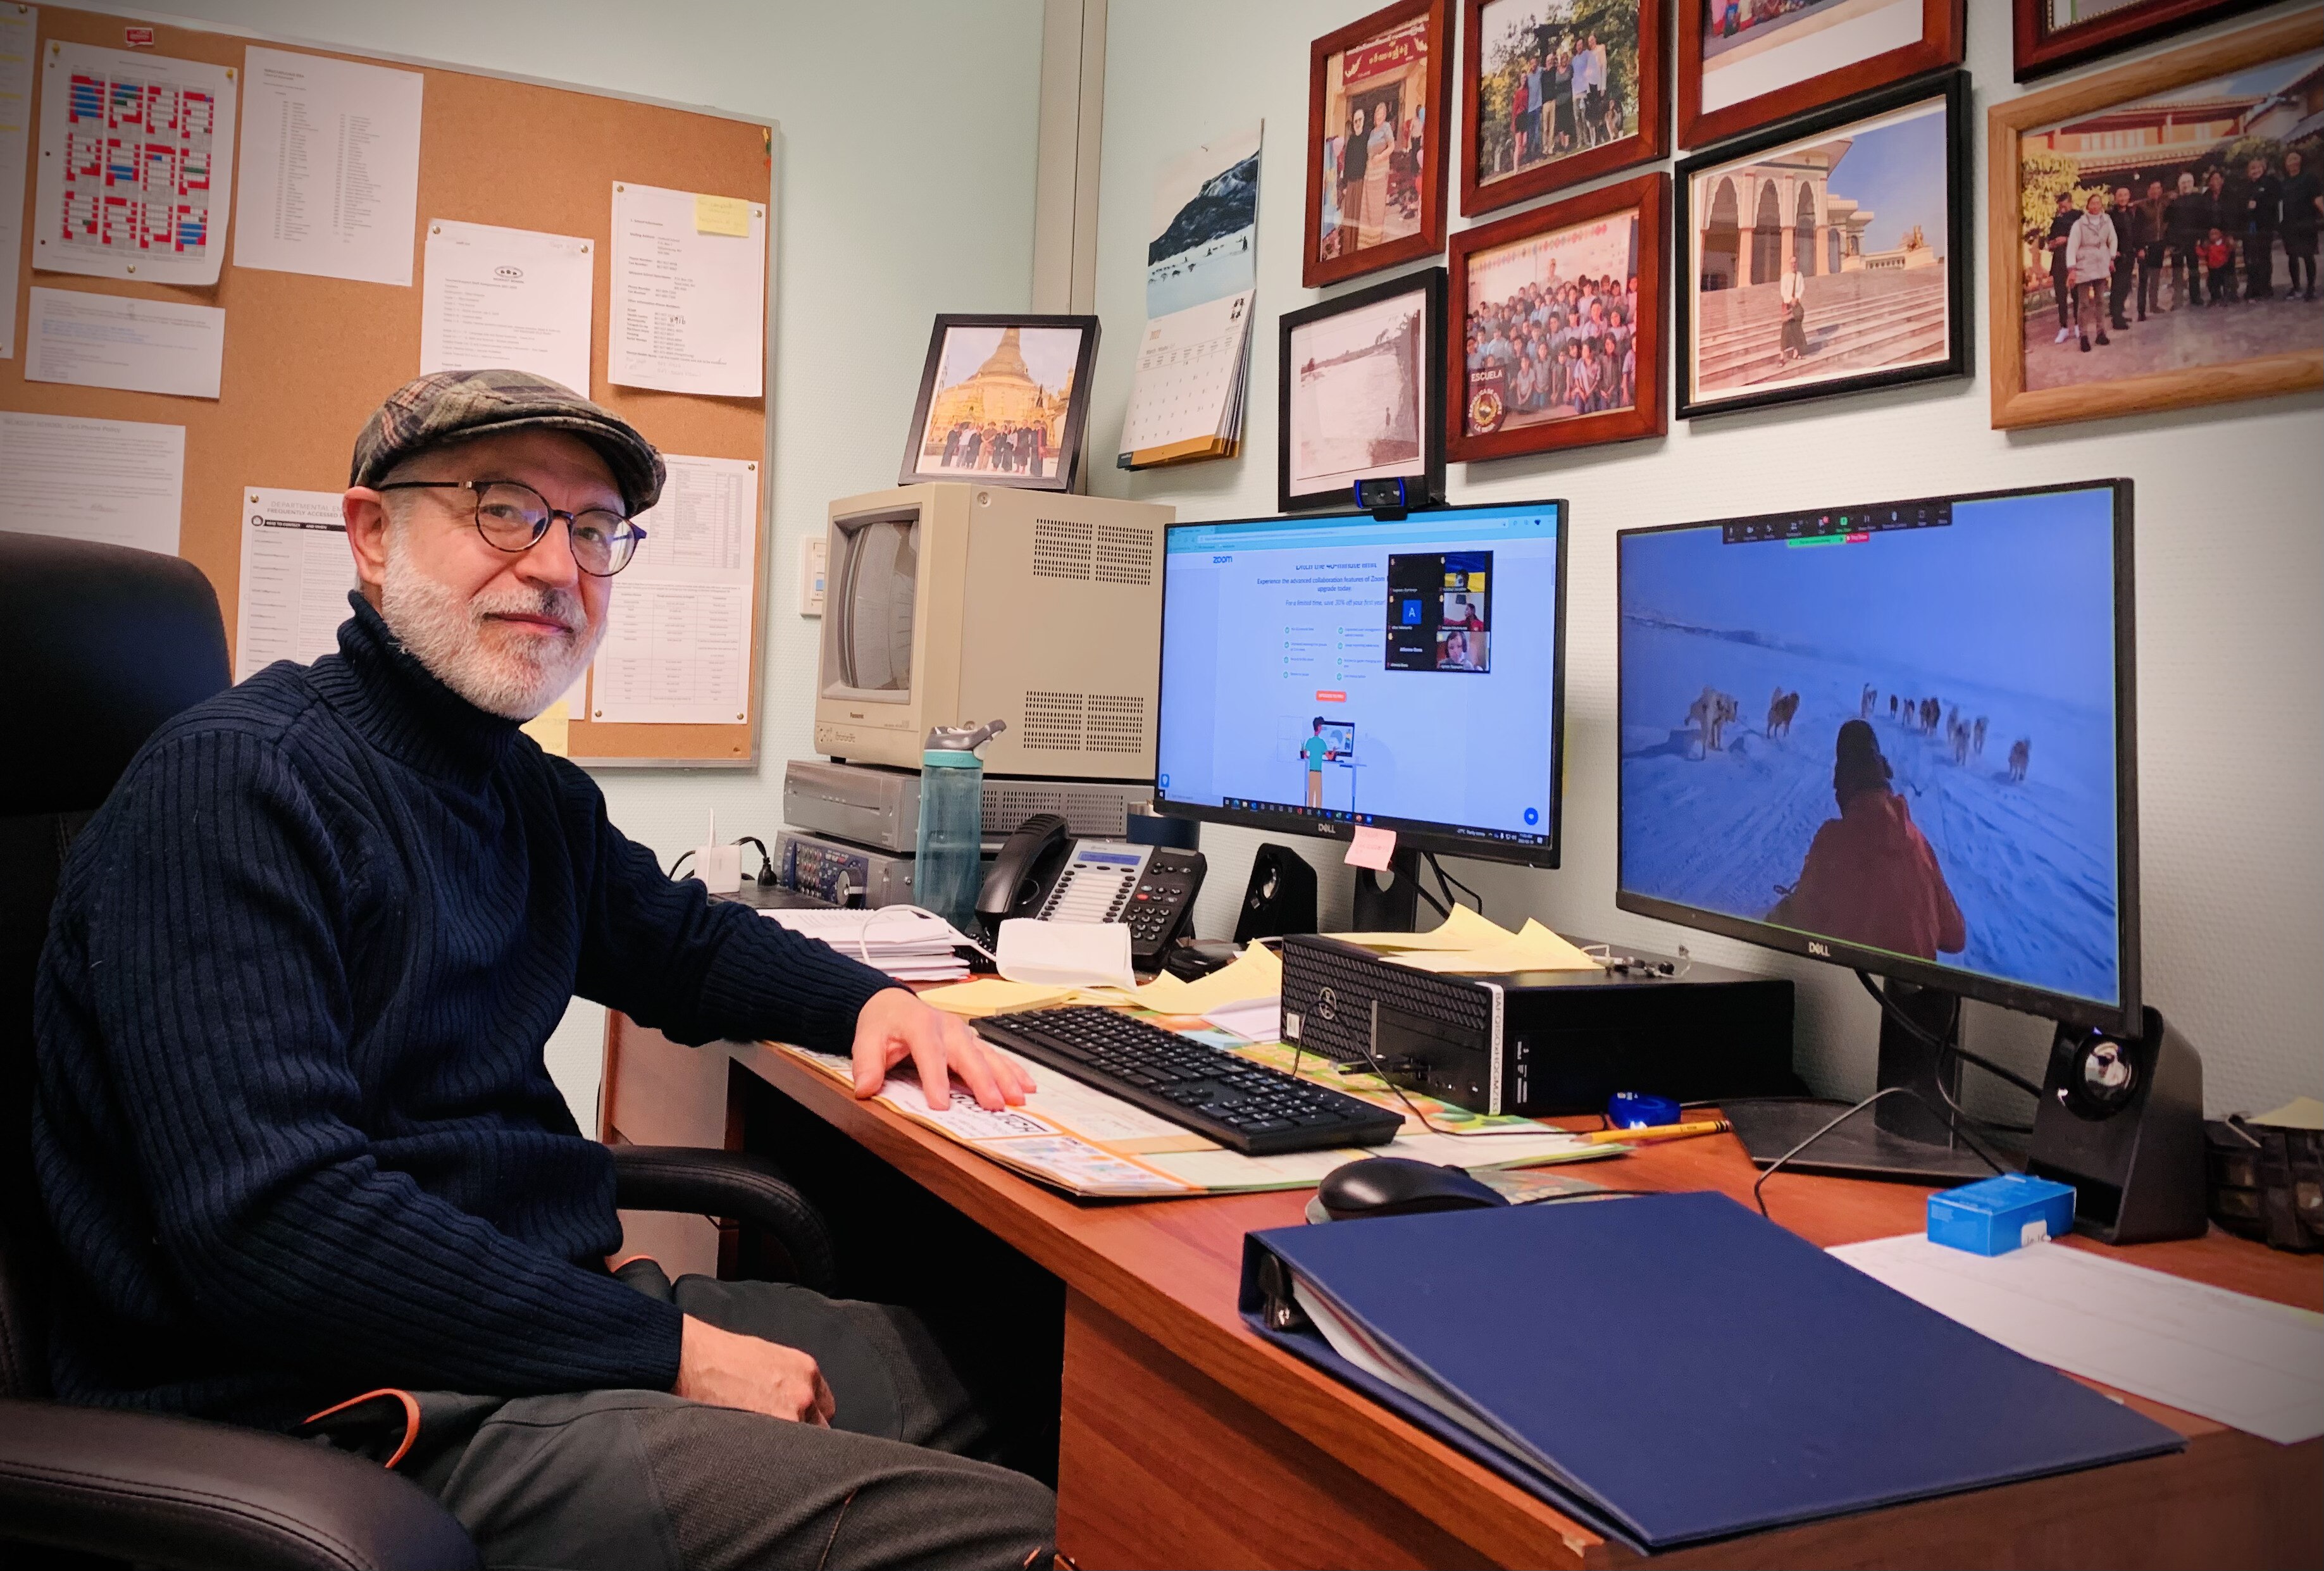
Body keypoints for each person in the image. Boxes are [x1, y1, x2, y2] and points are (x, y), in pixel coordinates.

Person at [31, 369, 1057, 1569]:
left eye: (592, 529)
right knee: (1021, 1535)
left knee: (1057, 1384)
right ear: (371, 533)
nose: (559, 567)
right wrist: (670, 1354)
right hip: (330, 1406)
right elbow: (277, 1230)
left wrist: (871, 999)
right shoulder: (235, 786)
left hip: (534, 1323)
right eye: (504, 509)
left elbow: (677, 941)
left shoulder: (519, 790)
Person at [1766, 721, 1966, 962]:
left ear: (1842, 787)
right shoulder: (1918, 844)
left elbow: (1799, 923)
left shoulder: (1831, 842)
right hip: (1908, 995)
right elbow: (1956, 937)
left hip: (1844, 988)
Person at [2066, 190, 2118, 351]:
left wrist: (2111, 257)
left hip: (2101, 263)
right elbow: (2072, 246)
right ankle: (2083, 336)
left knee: (2101, 301)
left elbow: (2113, 239)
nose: (2095, 205)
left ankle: (2101, 333)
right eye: (2092, 203)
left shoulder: (2107, 221)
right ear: (2088, 206)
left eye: (2098, 202)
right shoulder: (2079, 224)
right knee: (2084, 304)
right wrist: (2072, 269)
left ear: (2101, 205)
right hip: (2084, 265)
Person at [2237, 154, 2282, 301]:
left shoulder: (2270, 183)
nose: (2254, 171)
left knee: (2264, 257)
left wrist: (2259, 205)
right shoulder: (2245, 186)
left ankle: (2265, 287)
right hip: (2248, 228)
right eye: (2252, 168)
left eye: (2257, 167)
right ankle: (2252, 287)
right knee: (2250, 258)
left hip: (2264, 226)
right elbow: (2239, 204)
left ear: (2263, 168)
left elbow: (2275, 202)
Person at [2165, 170, 2208, 309]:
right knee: (2177, 272)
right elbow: (2168, 221)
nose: (2186, 185)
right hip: (2177, 242)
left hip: (2193, 240)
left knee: (2194, 269)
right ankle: (2177, 299)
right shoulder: (2174, 201)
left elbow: (2203, 220)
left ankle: (2196, 296)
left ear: (2193, 183)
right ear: (2179, 185)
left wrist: (2202, 238)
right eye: (2183, 183)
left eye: (2188, 182)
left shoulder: (2199, 199)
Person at [2283, 147, 2321, 302]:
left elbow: (2318, 200)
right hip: (2289, 225)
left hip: (2306, 222)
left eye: (2295, 158)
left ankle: (2311, 288)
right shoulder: (2284, 182)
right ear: (2285, 164)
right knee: (2292, 257)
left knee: (2308, 256)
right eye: (2290, 160)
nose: (2293, 162)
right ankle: (2296, 287)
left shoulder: (2309, 178)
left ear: (2301, 160)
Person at [2045, 190, 2079, 345]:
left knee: (2077, 293)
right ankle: (2064, 327)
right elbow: (2049, 243)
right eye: (2060, 208)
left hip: (2074, 260)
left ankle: (2079, 325)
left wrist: (2066, 239)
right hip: (2059, 261)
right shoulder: (2056, 221)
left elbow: (2084, 236)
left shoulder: (2079, 217)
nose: (2062, 210)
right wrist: (2052, 244)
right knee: (2061, 295)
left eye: (2065, 207)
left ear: (2070, 203)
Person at [2134, 179, 2170, 320]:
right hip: (2146, 246)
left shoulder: (2164, 205)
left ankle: (2154, 305)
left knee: (2155, 277)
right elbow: (2137, 230)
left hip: (2159, 244)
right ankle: (2141, 311)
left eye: (2158, 188)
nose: (2156, 191)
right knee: (2143, 279)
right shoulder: (2142, 208)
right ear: (2149, 191)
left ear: (2161, 190)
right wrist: (2140, 248)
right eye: (2153, 188)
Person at [2203, 168, 2237, 301]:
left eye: (2217, 178)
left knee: (2229, 265)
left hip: (2226, 234)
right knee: (2213, 267)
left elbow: (2234, 215)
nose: (2215, 182)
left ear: (2222, 180)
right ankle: (2215, 295)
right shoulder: (2206, 197)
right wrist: (2206, 236)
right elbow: (2201, 218)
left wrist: (2230, 234)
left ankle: (2231, 292)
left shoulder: (2230, 195)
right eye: (2212, 179)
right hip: (2211, 236)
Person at [2107, 186, 2137, 331]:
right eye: (2120, 195)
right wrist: (2113, 252)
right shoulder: (2110, 215)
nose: (2123, 198)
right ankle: (2116, 318)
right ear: (2115, 198)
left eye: (2125, 195)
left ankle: (2120, 313)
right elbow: (2107, 236)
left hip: (2129, 255)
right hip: (2118, 256)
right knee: (2117, 287)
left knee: (2126, 286)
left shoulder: (2131, 213)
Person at [1339, 106, 1369, 249]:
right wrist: (1344, 184)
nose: (1357, 123)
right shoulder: (1351, 140)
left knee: (1359, 215)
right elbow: (1347, 160)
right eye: (1356, 120)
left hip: (1362, 181)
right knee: (1349, 215)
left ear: (1364, 121)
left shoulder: (1367, 138)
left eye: (1360, 120)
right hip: (1351, 181)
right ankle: (1347, 247)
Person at [1300, 716, 1337, 808]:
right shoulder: (1322, 743)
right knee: (1319, 797)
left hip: (1311, 772)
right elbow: (1330, 757)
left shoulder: (1310, 741)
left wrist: (1310, 757)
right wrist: (1334, 751)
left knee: (1311, 795)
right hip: (1318, 772)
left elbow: (1305, 755)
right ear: (1319, 727)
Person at [1777, 260, 1808, 363]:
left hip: (1796, 304)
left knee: (1796, 328)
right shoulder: (1785, 276)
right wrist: (1790, 299)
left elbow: (1802, 288)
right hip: (1788, 304)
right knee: (1786, 330)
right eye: (1792, 263)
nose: (1794, 264)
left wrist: (1797, 299)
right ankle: (1782, 357)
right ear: (1789, 264)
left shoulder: (1800, 275)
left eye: (1795, 262)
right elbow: (1783, 291)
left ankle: (1796, 353)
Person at [2201, 225, 2236, 304]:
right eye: (2212, 234)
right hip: (2213, 268)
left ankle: (2227, 296)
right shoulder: (2209, 246)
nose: (2213, 236)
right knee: (2213, 283)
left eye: (2215, 234)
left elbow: (2229, 250)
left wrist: (2230, 245)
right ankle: (2215, 297)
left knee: (2225, 282)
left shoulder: (2224, 244)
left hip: (2223, 267)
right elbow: (2203, 252)